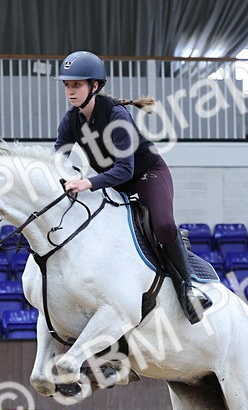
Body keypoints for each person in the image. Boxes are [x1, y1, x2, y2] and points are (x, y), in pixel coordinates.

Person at [53, 50, 212, 324]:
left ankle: (188, 289)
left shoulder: (117, 116)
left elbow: (125, 169)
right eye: (67, 85)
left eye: (76, 84)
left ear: (95, 86)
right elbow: (57, 158)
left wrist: (86, 182)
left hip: (146, 175)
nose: (70, 91)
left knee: (161, 225)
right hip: (114, 183)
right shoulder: (71, 120)